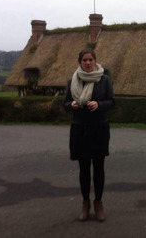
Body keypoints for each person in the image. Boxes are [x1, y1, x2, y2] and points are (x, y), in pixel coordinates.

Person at [64, 48, 114, 222]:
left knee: (99, 168)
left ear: (95, 61)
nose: (87, 63)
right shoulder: (72, 81)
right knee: (84, 169)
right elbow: (64, 103)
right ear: (80, 62)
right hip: (80, 130)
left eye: (90, 59)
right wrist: (72, 105)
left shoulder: (104, 80)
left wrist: (99, 104)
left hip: (99, 129)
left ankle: (98, 202)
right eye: (84, 60)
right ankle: (85, 203)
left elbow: (112, 102)